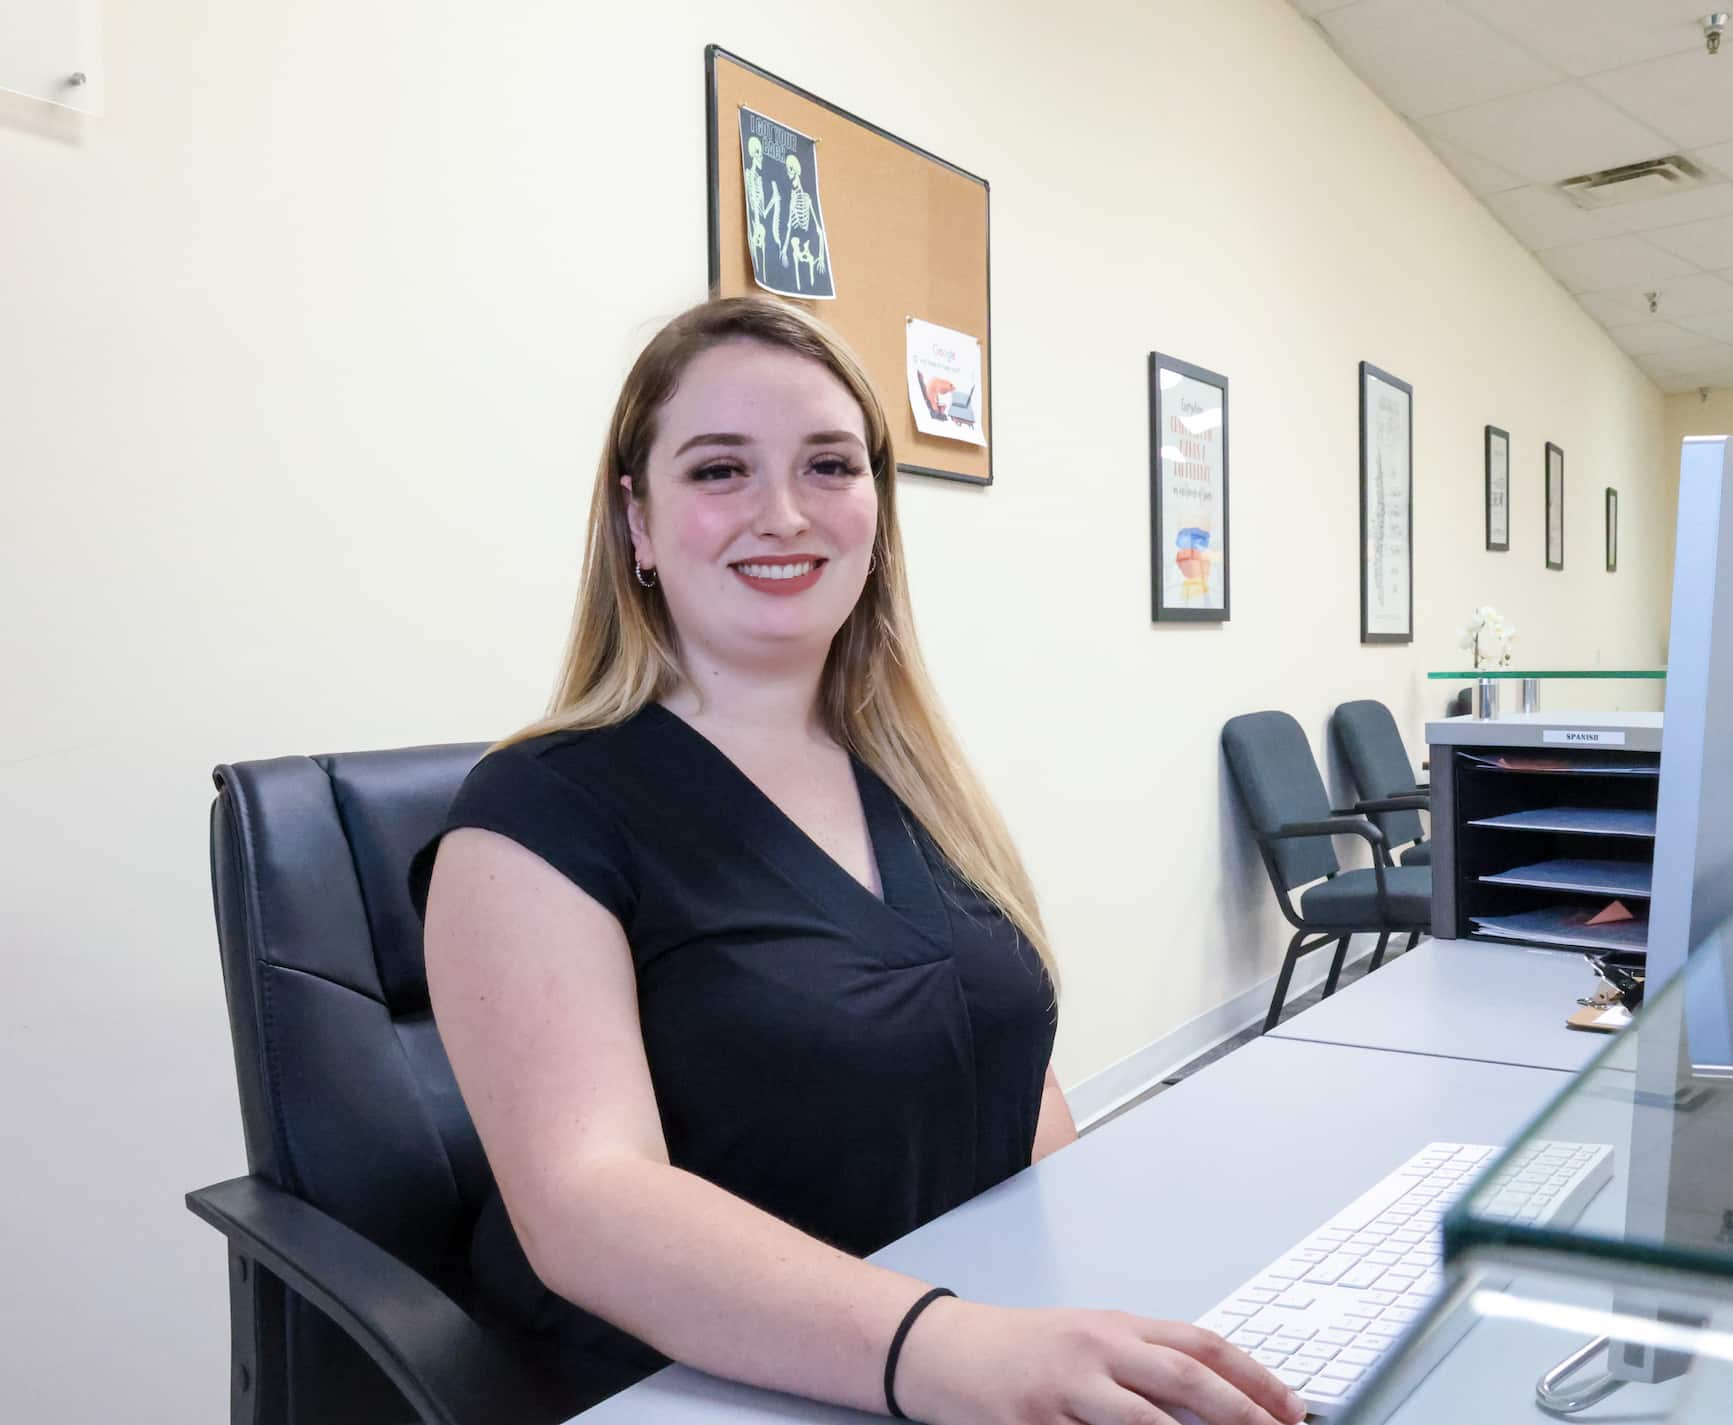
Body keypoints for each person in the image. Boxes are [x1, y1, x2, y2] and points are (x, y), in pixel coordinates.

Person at [409, 295, 1304, 1425]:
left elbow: (1008, 1067)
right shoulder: (531, 813)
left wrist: (1092, 1296)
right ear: (635, 521)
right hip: (689, 1387)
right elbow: (588, 1206)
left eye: (829, 466)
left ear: (876, 508)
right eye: (719, 471)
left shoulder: (909, 774)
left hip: (961, 1343)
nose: (783, 513)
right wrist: (950, 1347)